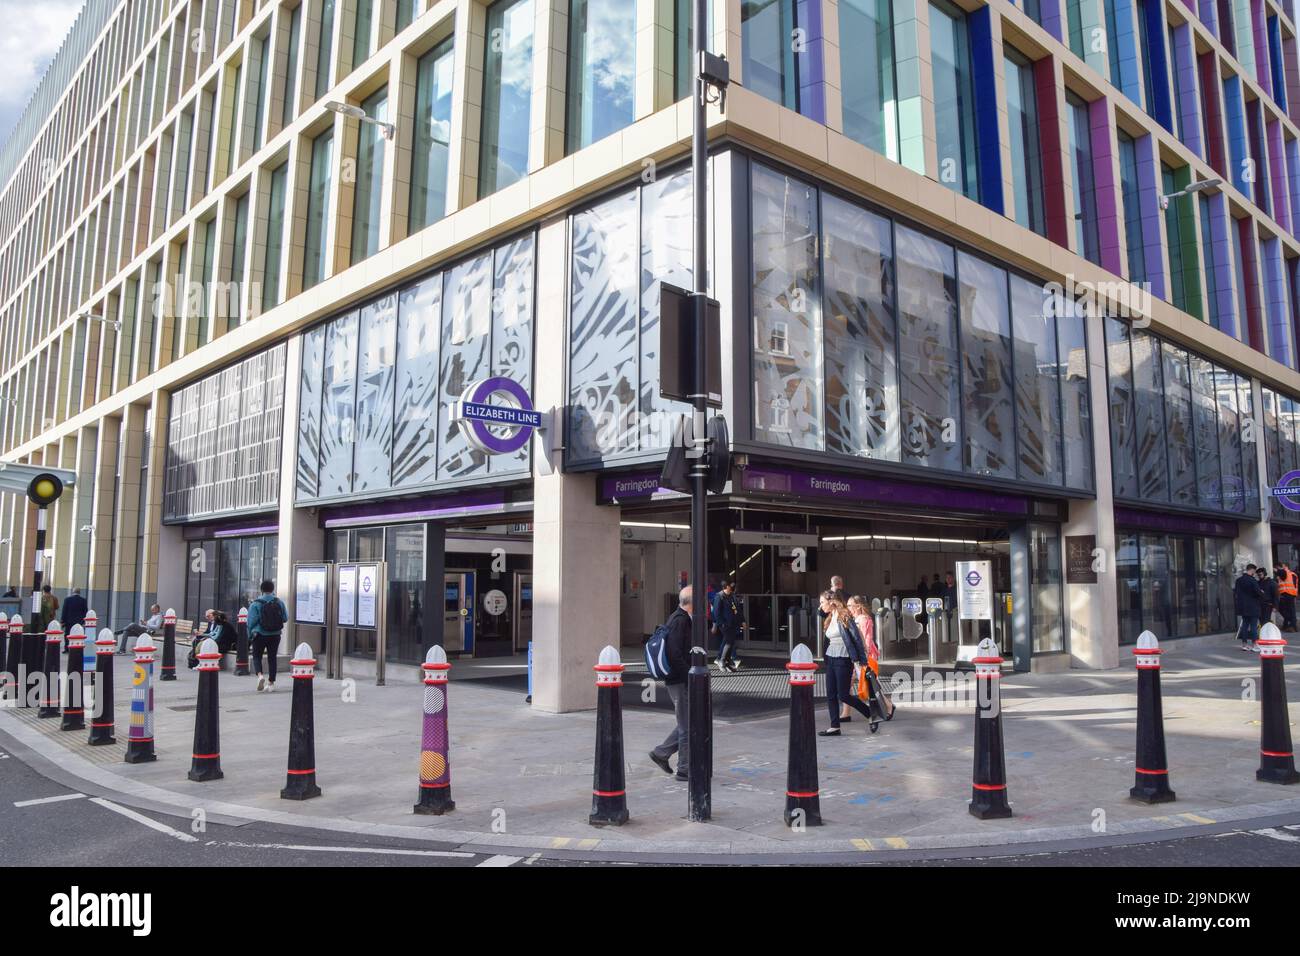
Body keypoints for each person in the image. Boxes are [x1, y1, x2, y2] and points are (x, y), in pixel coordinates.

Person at [648, 586, 694, 781]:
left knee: (689, 722)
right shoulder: (680, 621)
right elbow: (674, 654)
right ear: (691, 602)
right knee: (686, 725)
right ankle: (684, 769)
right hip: (678, 680)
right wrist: (689, 675)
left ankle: (661, 753)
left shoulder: (679, 618)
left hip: (677, 679)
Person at [818, 591, 877, 736]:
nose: (820, 606)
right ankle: (834, 726)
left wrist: (862, 660)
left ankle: (870, 713)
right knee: (831, 694)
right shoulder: (830, 617)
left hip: (843, 659)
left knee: (843, 695)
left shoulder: (844, 615)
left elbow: (857, 638)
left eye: (822, 602)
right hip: (831, 658)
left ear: (831, 602)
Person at [247, 580, 288, 692]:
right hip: (275, 635)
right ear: (272, 589)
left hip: (259, 634)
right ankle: (271, 682)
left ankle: (260, 675)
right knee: (272, 658)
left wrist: (249, 635)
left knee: (257, 656)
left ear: (261, 590)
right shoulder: (279, 602)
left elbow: (251, 622)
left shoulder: (255, 603)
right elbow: (285, 618)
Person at [711, 580, 745, 672]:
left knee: (731, 642)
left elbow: (737, 609)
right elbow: (716, 612)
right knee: (729, 641)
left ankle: (727, 661)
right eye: (731, 585)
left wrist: (742, 621)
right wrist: (721, 623)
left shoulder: (732, 596)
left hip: (733, 623)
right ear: (726, 587)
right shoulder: (719, 597)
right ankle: (722, 660)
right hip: (725, 624)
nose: (733, 586)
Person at [1234, 564, 1264, 652]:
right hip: (1253, 606)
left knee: (1245, 625)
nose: (1254, 573)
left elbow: (1236, 592)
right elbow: (1258, 592)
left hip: (1243, 606)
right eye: (1254, 571)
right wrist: (1262, 592)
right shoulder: (1252, 580)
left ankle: (1244, 644)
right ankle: (1255, 645)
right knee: (1253, 626)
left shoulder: (1238, 580)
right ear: (1252, 570)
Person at [1279, 562, 1298, 632]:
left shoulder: (1287, 573)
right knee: (1288, 610)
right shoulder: (1291, 574)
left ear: (1286, 566)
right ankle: (1288, 625)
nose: (1281, 567)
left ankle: (1292, 624)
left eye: (1282, 566)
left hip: (1288, 593)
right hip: (1289, 593)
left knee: (1289, 610)